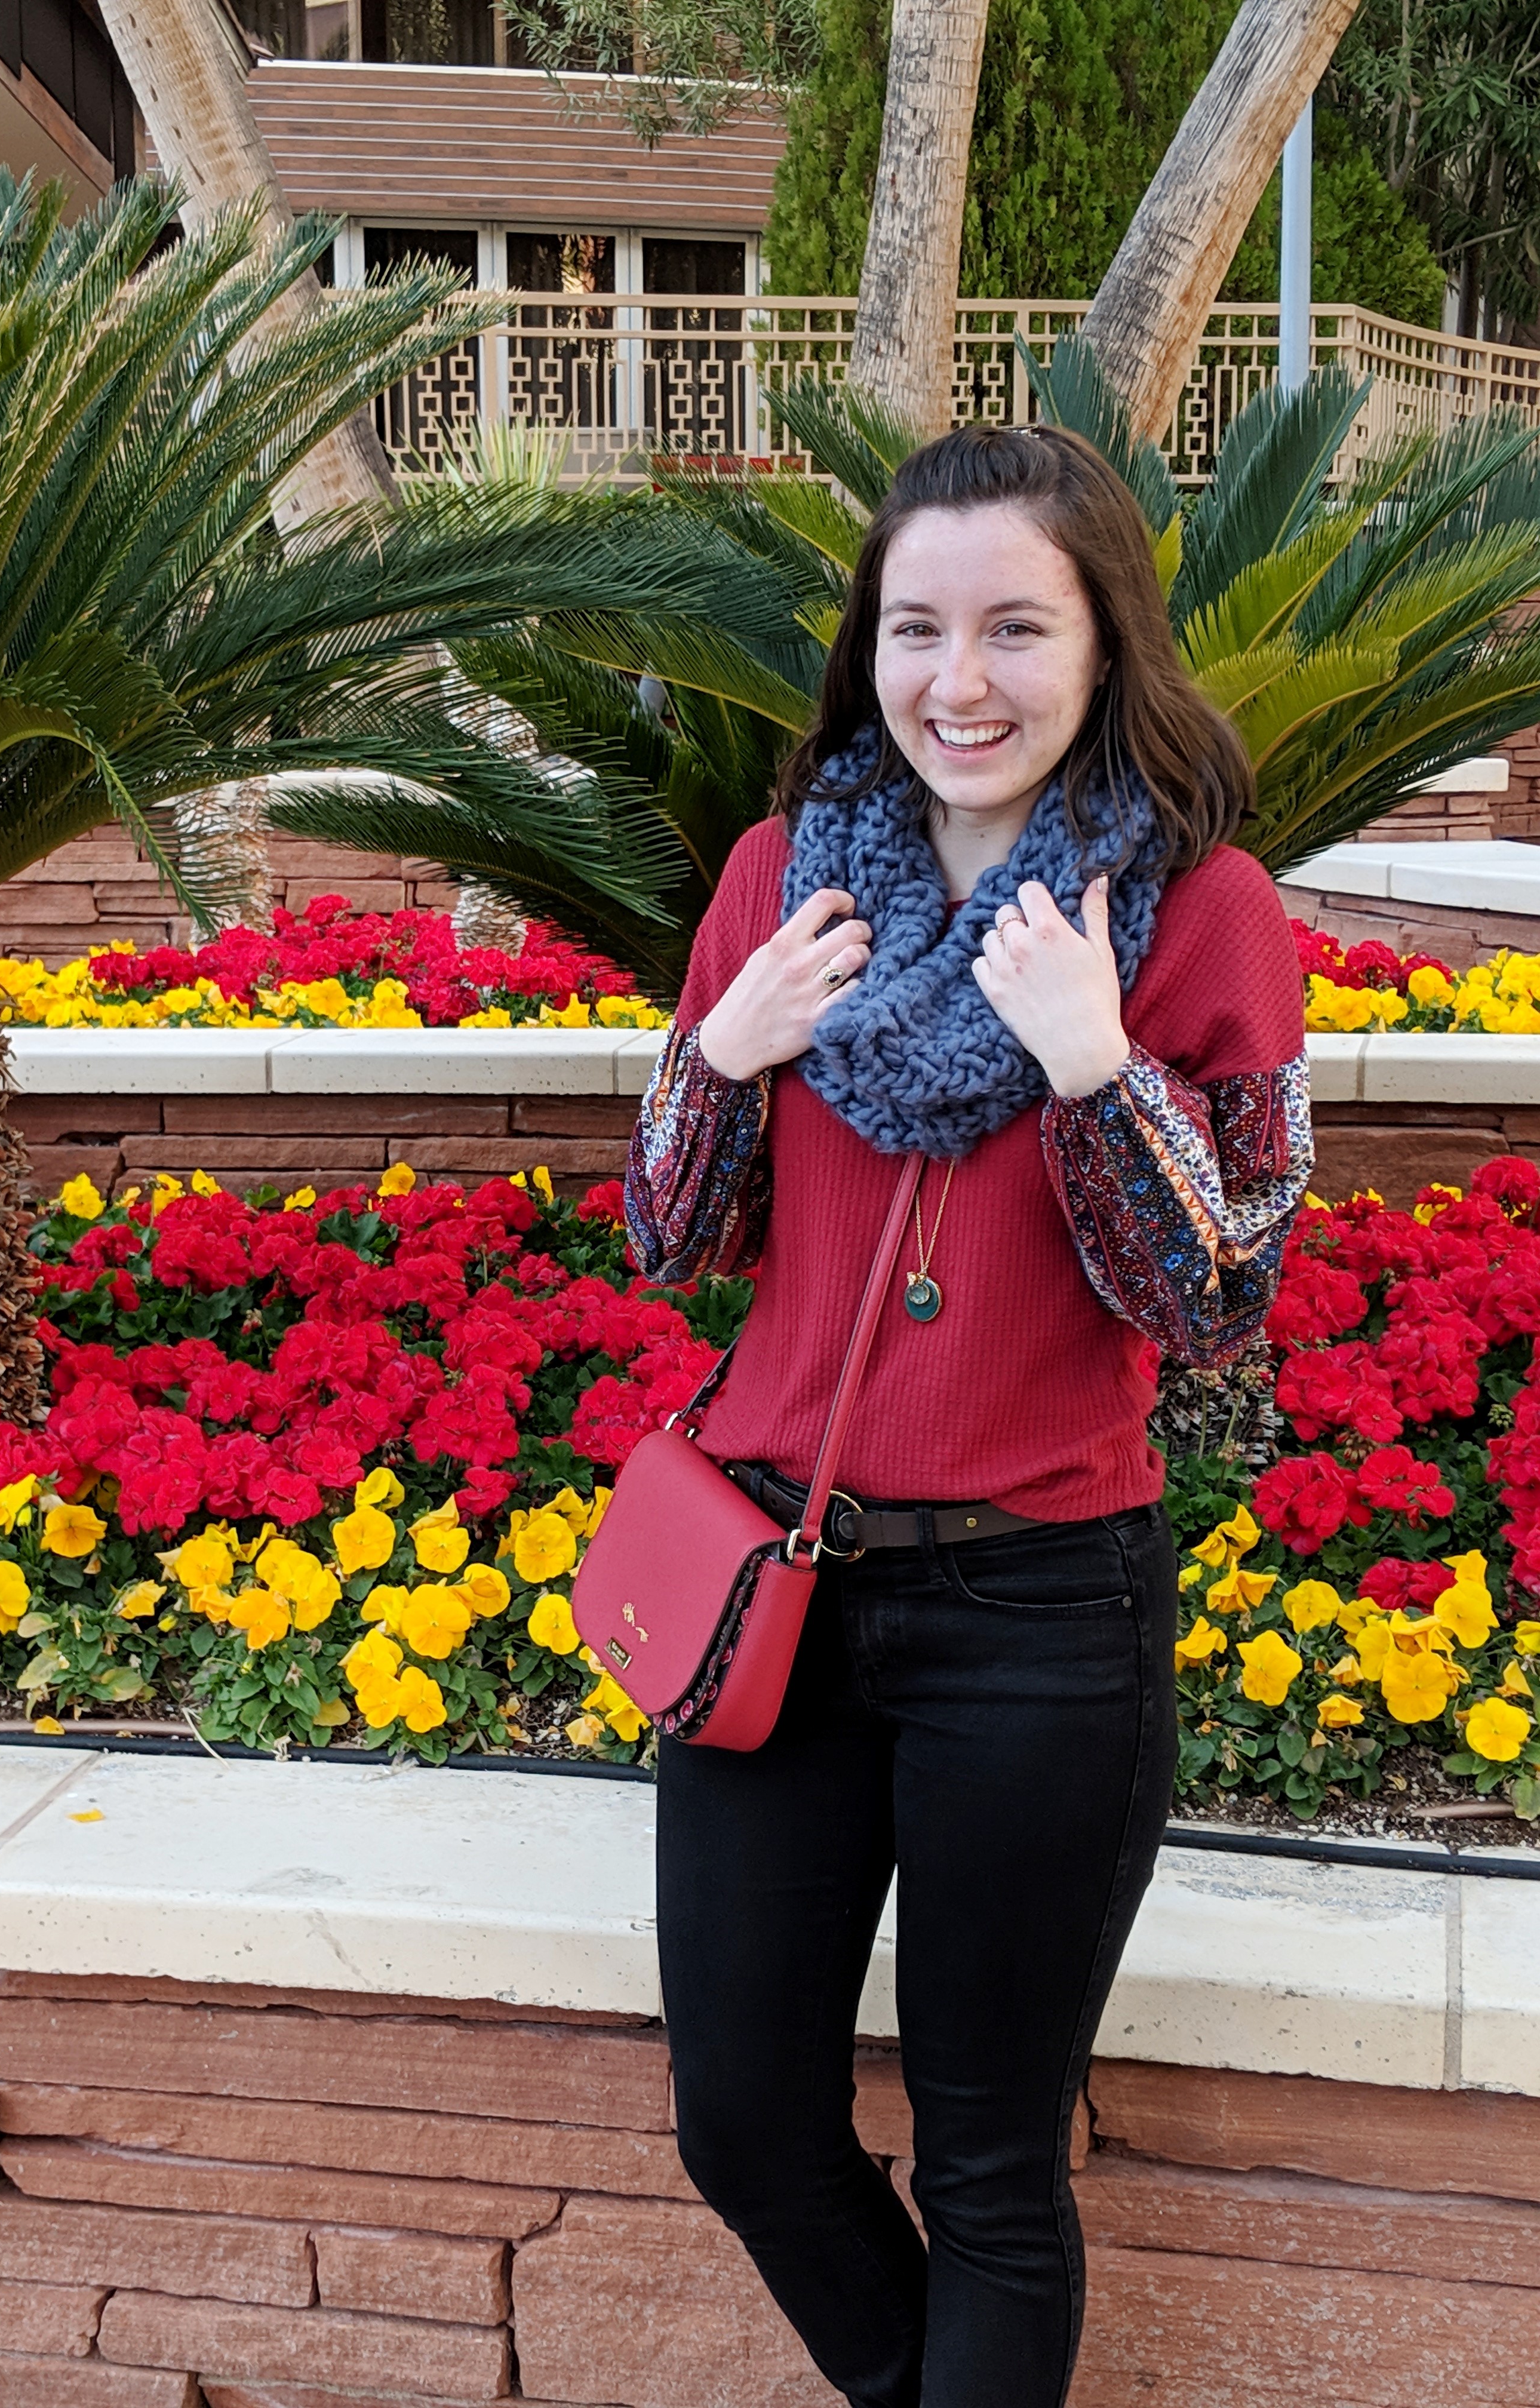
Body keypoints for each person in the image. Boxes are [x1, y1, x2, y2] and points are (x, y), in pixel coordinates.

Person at [622, 423, 1311, 2407]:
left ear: (1104, 645)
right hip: (780, 1597)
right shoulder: (781, 876)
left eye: (1017, 625)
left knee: (996, 2169)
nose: (961, 679)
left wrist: (1100, 1072)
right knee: (744, 2121)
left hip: (1039, 1621)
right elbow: (675, 1239)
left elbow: (1220, 1299)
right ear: (871, 649)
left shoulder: (1196, 910)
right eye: (918, 627)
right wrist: (729, 1055)